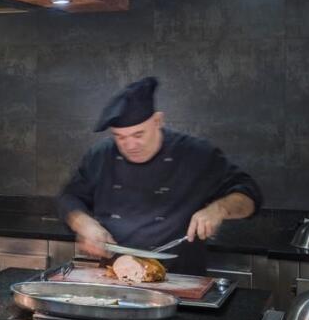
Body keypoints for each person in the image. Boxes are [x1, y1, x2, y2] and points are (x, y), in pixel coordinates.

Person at [57, 77, 262, 274]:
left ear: (157, 121)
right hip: (115, 277)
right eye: (120, 137)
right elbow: (69, 197)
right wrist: (84, 224)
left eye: (138, 134)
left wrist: (219, 209)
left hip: (182, 279)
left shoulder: (195, 154)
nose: (130, 145)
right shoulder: (101, 155)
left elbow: (249, 194)